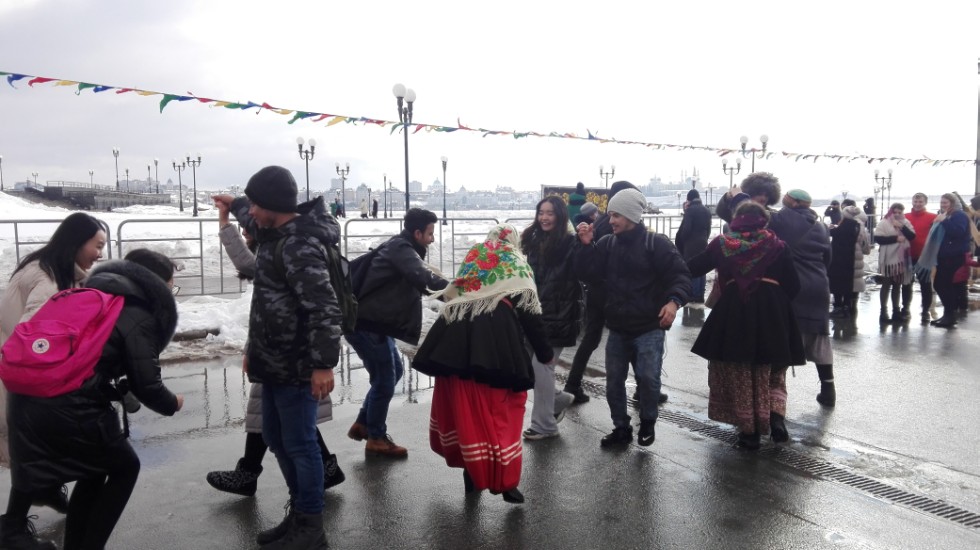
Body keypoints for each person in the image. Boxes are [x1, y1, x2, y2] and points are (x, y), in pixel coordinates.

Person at [7, 249, 183, 550]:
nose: (171, 294)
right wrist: (173, 402)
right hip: (67, 404)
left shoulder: (84, 295)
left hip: (26, 400)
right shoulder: (136, 312)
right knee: (125, 467)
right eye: (170, 287)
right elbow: (147, 385)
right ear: (154, 284)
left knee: (96, 469)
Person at [227, 166, 340, 549]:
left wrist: (322, 364)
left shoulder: (299, 245)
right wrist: (234, 203)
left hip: (297, 364)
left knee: (300, 443)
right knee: (275, 436)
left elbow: (324, 308)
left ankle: (310, 526)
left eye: (256, 204)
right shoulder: (274, 232)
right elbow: (250, 217)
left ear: (273, 206)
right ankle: (299, 516)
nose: (252, 213)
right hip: (272, 360)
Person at [204, 196, 345, 498]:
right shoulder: (274, 244)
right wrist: (230, 212)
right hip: (272, 351)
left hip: (290, 356)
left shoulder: (291, 247)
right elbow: (267, 307)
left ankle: (298, 495)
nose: (249, 222)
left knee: (293, 432)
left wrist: (322, 364)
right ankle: (307, 483)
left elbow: (322, 308)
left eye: (253, 216)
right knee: (283, 429)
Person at [413, 224, 553, 504]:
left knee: (465, 408)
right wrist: (544, 352)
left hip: (453, 340)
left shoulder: (476, 257)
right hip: (495, 342)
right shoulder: (515, 264)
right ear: (513, 242)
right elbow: (529, 313)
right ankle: (505, 481)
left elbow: (455, 293)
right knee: (502, 408)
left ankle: (472, 471)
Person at [0, 212, 107, 550]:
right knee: (33, 450)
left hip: (17, 375)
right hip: (24, 380)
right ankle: (12, 530)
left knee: (35, 450)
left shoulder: (45, 267)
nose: (100, 254)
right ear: (76, 242)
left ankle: (43, 491)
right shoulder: (49, 281)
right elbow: (34, 337)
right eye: (97, 245)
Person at [575, 187, 691, 448]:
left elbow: (680, 275)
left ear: (631, 216)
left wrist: (673, 302)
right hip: (617, 326)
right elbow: (588, 274)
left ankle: (648, 420)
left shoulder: (656, 244)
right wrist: (585, 246)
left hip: (649, 326)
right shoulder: (607, 244)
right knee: (614, 382)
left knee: (648, 378)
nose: (611, 220)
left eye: (616, 215)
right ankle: (621, 428)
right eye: (610, 215)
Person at [687, 201, 805, 449]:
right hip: (773, 311)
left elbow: (694, 268)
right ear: (764, 220)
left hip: (735, 311)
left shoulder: (722, 244)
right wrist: (776, 303)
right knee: (771, 369)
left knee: (739, 370)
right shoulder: (777, 245)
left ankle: (749, 432)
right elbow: (794, 285)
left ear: (736, 220)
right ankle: (775, 418)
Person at [718, 176, 836, 408]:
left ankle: (773, 402)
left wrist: (738, 195)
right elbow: (828, 259)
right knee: (819, 340)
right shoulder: (820, 225)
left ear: (790, 202)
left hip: (791, 285)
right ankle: (828, 389)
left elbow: (747, 213)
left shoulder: (784, 220)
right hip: (819, 286)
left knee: (782, 341)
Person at [347, 208, 449, 457]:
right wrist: (459, 293)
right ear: (417, 233)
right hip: (368, 324)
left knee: (395, 371)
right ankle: (376, 437)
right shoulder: (402, 249)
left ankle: (364, 423)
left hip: (375, 323)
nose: (432, 239)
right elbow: (424, 279)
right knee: (384, 379)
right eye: (430, 234)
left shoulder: (402, 247)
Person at [566, 182, 669, 405]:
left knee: (595, 339)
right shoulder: (613, 226)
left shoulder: (601, 221)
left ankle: (573, 384)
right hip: (610, 293)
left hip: (600, 293)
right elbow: (601, 262)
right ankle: (641, 388)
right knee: (620, 338)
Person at [519, 196, 579, 440]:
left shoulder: (570, 243)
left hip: (559, 316)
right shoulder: (534, 240)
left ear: (560, 216)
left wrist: (588, 244)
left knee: (541, 366)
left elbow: (587, 271)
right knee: (528, 365)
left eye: (550, 213)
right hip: (535, 314)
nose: (544, 217)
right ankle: (557, 399)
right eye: (541, 212)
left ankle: (544, 425)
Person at [921, 193, 971, 328]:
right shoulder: (947, 215)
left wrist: (943, 221)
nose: (942, 205)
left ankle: (950, 315)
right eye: (941, 202)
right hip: (944, 255)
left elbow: (958, 232)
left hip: (953, 256)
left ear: (953, 203)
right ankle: (948, 314)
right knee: (941, 284)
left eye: (945, 203)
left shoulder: (959, 215)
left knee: (943, 284)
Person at [873, 203, 916, 324]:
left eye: (899, 212)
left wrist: (901, 227)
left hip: (901, 259)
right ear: (891, 212)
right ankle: (883, 312)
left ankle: (896, 311)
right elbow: (878, 238)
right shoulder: (884, 222)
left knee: (897, 284)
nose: (896, 214)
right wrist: (895, 239)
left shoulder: (905, 222)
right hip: (888, 258)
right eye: (894, 212)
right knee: (886, 284)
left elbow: (912, 236)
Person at [829, 205, 871, 318]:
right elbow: (866, 245)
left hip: (839, 259)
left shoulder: (845, 225)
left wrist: (830, 228)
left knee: (837, 283)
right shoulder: (857, 225)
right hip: (852, 258)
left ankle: (838, 307)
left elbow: (833, 233)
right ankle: (847, 307)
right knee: (849, 283)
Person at [675, 189, 712, 303]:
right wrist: (704, 238)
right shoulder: (706, 210)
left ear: (689, 199)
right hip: (703, 241)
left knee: (692, 267)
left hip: (691, 243)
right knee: (702, 267)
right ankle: (700, 294)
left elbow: (686, 229)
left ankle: (694, 294)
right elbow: (709, 229)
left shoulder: (690, 210)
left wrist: (683, 241)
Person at [906, 193, 937, 323]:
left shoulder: (933, 217)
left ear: (925, 203)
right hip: (907, 255)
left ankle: (925, 311)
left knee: (925, 285)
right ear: (912, 202)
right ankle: (905, 309)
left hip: (925, 256)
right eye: (915, 201)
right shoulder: (905, 217)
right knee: (906, 284)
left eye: (920, 202)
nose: (917, 204)